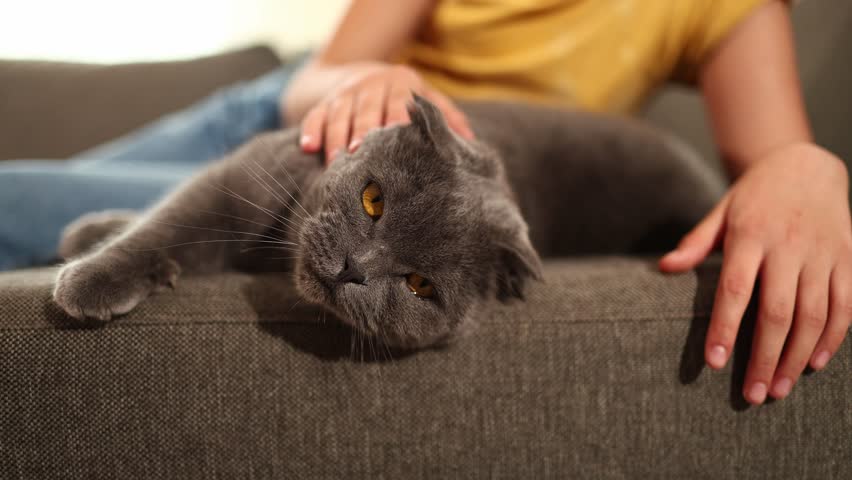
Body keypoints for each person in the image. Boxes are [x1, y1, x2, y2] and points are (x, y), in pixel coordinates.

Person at [0, 0, 848, 406]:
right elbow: (318, 80)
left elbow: (778, 165)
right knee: (23, 201)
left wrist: (813, 166)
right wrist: (379, 78)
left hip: (410, 196)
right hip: (295, 121)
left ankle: (148, 235)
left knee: (33, 212)